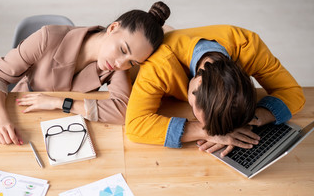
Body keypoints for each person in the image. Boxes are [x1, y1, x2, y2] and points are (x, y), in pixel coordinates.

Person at [0, 1, 171, 145]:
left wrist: (60, 103)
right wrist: (1, 120)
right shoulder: (47, 37)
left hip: (69, 127)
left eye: (132, 62)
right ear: (113, 28)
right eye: (122, 49)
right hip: (25, 111)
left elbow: (124, 111)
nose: (121, 63)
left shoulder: (114, 66)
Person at [125, 25, 305, 156]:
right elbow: (135, 126)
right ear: (196, 84)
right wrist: (207, 132)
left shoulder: (250, 47)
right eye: (202, 120)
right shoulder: (158, 65)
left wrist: (251, 120)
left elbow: (293, 93)